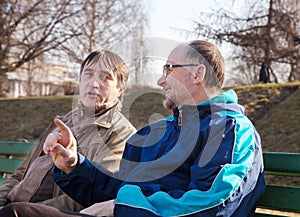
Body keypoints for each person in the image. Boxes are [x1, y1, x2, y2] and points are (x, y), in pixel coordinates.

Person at [0, 40, 265, 217]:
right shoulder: (155, 133)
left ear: (197, 74)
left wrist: (125, 206)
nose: (161, 80)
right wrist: (73, 166)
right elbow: (118, 189)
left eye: (168, 69)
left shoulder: (230, 129)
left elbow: (216, 203)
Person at [0, 50, 136, 212]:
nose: (93, 83)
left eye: (106, 77)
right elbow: (20, 174)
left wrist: (24, 211)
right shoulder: (62, 122)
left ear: (120, 89)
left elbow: (93, 194)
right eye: (88, 74)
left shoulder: (121, 134)